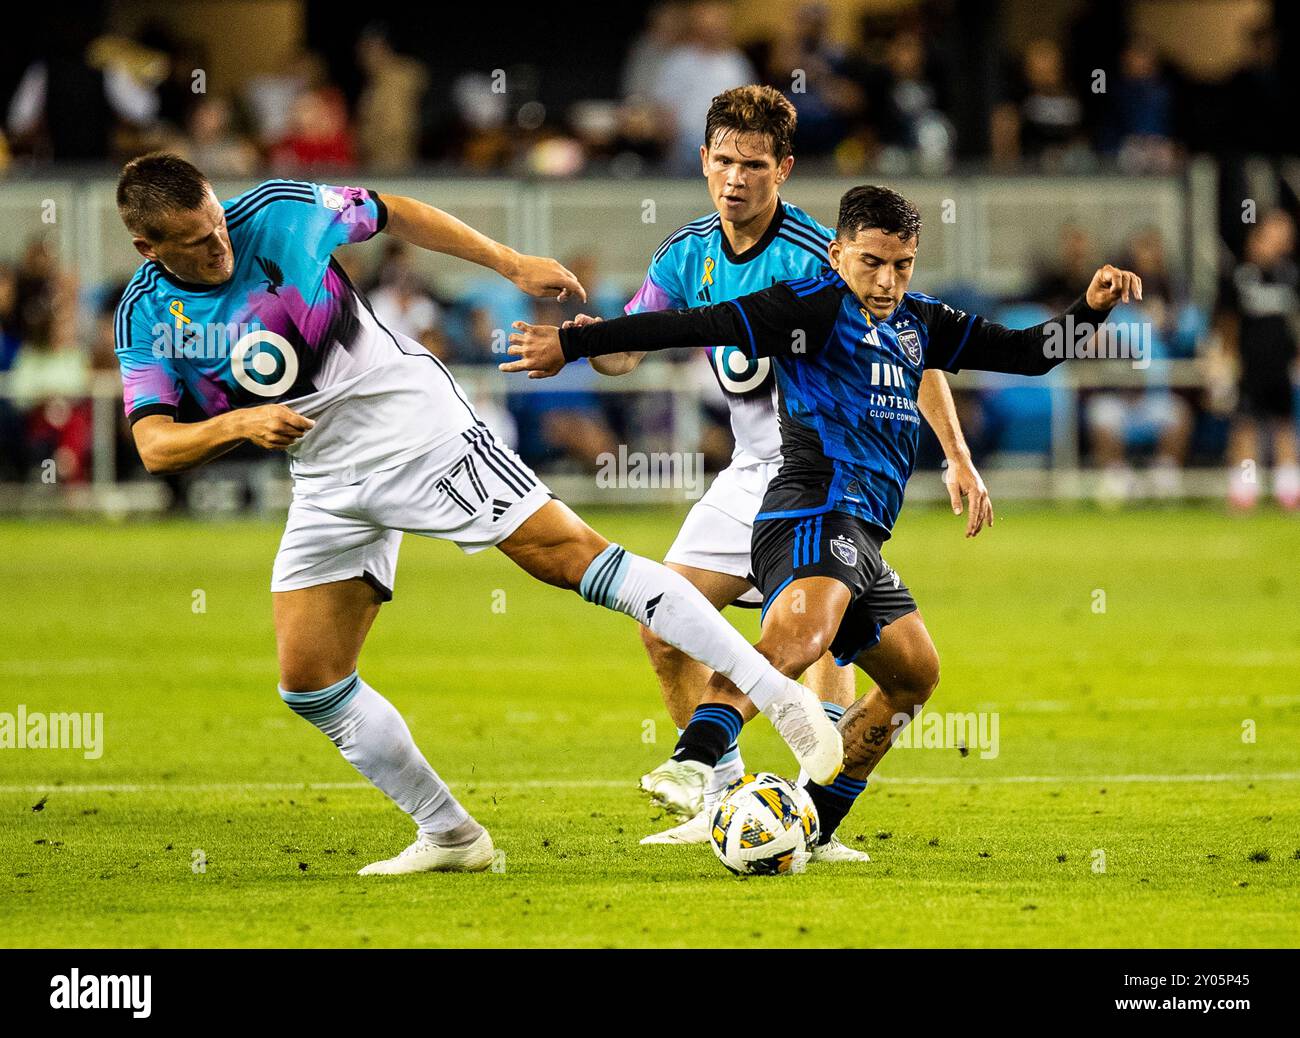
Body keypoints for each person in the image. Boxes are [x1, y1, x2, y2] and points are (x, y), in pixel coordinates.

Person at [111, 154, 845, 876]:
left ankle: (778, 698)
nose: (220, 244)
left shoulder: (278, 212)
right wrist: (234, 428)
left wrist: (508, 261)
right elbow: (153, 444)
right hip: (324, 474)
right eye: (198, 241)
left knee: (567, 557)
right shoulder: (145, 314)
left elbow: (395, 211)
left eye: (216, 223)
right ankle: (451, 835)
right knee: (310, 681)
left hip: (412, 425)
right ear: (150, 248)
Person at [502, 184, 1140, 850]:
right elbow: (692, 325)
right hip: (810, 509)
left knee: (913, 677)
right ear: (837, 254)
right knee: (799, 641)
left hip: (863, 534)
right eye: (871, 262)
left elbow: (1027, 353)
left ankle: (810, 823)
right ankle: (694, 762)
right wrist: (578, 345)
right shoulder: (807, 307)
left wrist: (1088, 309)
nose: (887, 280)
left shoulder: (921, 321)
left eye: (902, 264)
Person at [571, 85, 988, 858]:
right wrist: (595, 340)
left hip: (821, 466)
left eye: (754, 165)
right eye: (723, 161)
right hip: (745, 472)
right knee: (665, 629)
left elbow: (912, 347)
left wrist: (956, 454)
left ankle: (807, 813)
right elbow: (632, 350)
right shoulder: (685, 256)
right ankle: (729, 802)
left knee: (820, 640)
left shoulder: (819, 256)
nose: (736, 178)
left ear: (784, 169)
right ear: (702, 162)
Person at [1216, 209, 1300, 511]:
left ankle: (1289, 490)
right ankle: (1243, 490)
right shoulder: (1239, 276)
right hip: (1250, 367)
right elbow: (1227, 324)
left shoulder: (1289, 274)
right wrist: (1224, 365)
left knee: (1284, 424)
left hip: (1281, 366)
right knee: (1247, 426)